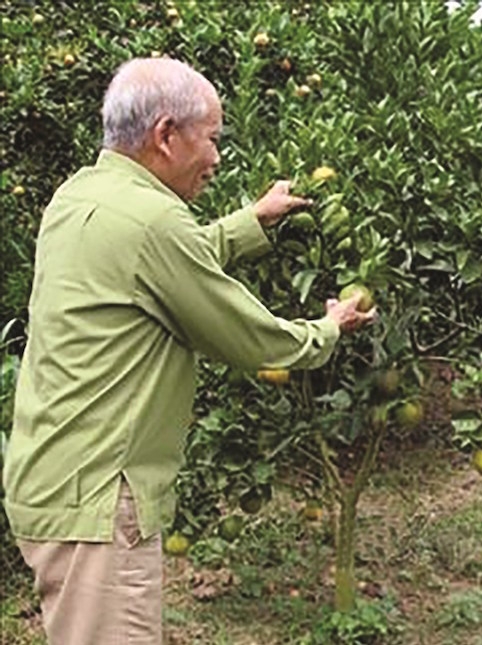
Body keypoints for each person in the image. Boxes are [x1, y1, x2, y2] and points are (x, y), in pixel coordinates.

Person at [2, 58, 375, 644]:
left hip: (56, 481)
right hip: (100, 499)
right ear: (166, 135)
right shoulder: (153, 222)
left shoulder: (82, 195)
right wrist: (324, 330)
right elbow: (247, 335)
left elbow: (160, 264)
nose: (218, 157)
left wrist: (250, 221)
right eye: (213, 138)